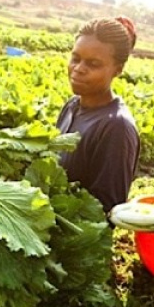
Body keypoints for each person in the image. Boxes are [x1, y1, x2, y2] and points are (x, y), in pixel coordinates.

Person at [56, 17, 140, 215]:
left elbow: (105, 211)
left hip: (71, 240)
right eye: (75, 59)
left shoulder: (116, 127)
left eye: (93, 64)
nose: (78, 69)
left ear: (117, 70)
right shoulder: (72, 106)